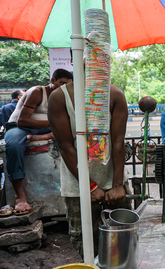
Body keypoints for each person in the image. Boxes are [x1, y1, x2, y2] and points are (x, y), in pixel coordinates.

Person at [48, 81, 130, 256]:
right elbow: (65, 147)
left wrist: (117, 185)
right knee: (87, 245)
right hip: (78, 187)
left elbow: (118, 143)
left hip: (114, 180)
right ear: (74, 57)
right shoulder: (59, 97)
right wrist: (91, 186)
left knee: (124, 243)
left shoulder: (115, 94)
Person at [4, 69, 73, 215]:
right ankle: (20, 196)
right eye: (62, 83)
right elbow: (22, 121)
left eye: (68, 85)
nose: (64, 87)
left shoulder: (65, 96)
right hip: (19, 127)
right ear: (53, 81)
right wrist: (53, 125)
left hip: (42, 129)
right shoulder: (37, 91)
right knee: (14, 145)